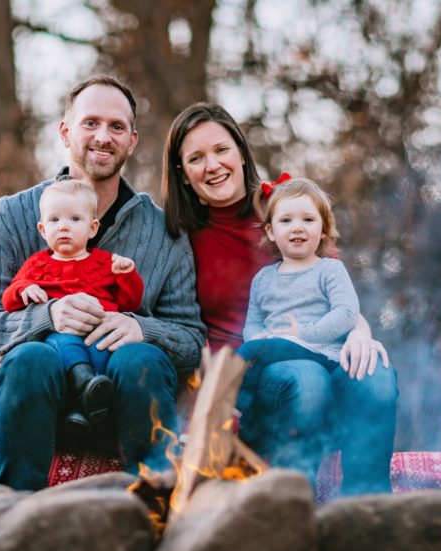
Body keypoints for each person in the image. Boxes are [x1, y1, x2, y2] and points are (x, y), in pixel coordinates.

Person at [0, 76, 205, 491]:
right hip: (42, 407)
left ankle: (156, 504)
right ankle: (20, 512)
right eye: (90, 123)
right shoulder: (13, 216)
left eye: (116, 127)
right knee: (29, 359)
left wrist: (141, 328)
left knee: (140, 359)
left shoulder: (166, 232)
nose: (102, 137)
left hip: (129, 406)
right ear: (65, 132)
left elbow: (191, 342)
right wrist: (48, 316)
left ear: (132, 141)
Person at [162, 102, 398, 496]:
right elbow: (180, 328)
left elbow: (334, 291)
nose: (213, 165)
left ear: (240, 151)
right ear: (184, 175)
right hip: (248, 381)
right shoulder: (179, 237)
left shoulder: (285, 209)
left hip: (320, 348)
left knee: (373, 372)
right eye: (196, 158)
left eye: (221, 149)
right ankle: (292, 506)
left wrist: (360, 333)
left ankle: (367, 506)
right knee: (305, 379)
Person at [1, 179, 145, 438]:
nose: (64, 226)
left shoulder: (105, 262)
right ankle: (79, 400)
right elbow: (8, 300)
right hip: (61, 338)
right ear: (43, 230)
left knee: (105, 359)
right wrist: (23, 290)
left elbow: (130, 302)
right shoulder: (37, 265)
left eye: (75, 219)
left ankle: (87, 409)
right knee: (61, 342)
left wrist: (127, 275)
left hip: (99, 336)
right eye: (55, 221)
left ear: (92, 228)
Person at [240, 177, 359, 371]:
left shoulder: (330, 269)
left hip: (320, 352)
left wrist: (303, 334)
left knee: (243, 358)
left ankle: (225, 389)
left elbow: (346, 312)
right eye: (286, 220)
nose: (297, 227)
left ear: (323, 229)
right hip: (272, 354)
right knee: (245, 359)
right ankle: (231, 396)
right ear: (271, 231)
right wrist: (256, 339)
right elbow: (253, 322)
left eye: (308, 220)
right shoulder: (262, 278)